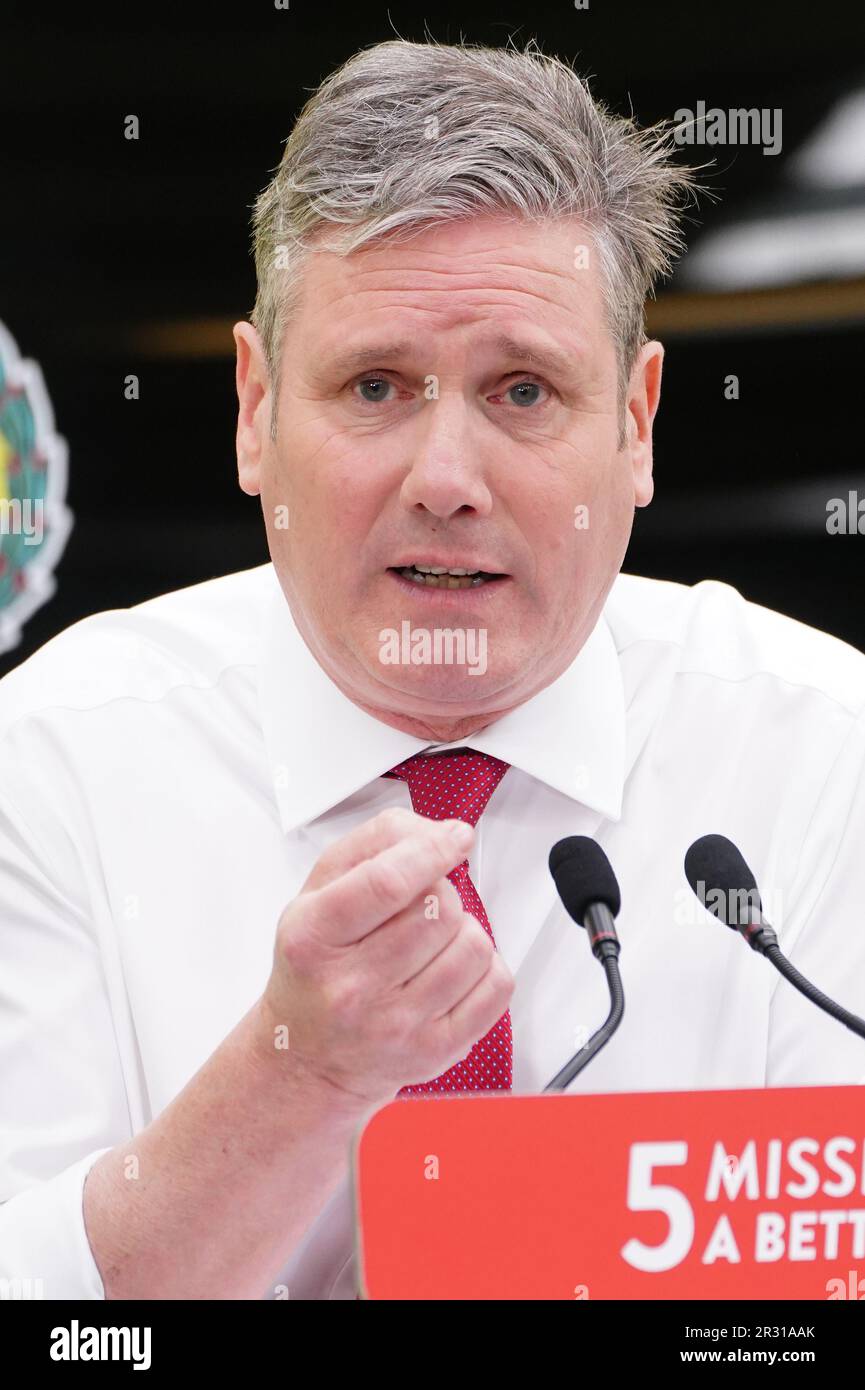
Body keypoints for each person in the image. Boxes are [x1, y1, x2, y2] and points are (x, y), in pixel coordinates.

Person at [2, 37, 864, 1302]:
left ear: (635, 423)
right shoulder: (49, 762)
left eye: (522, 390)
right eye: (374, 385)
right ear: (253, 411)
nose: (446, 481)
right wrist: (296, 1075)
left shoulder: (825, 749)